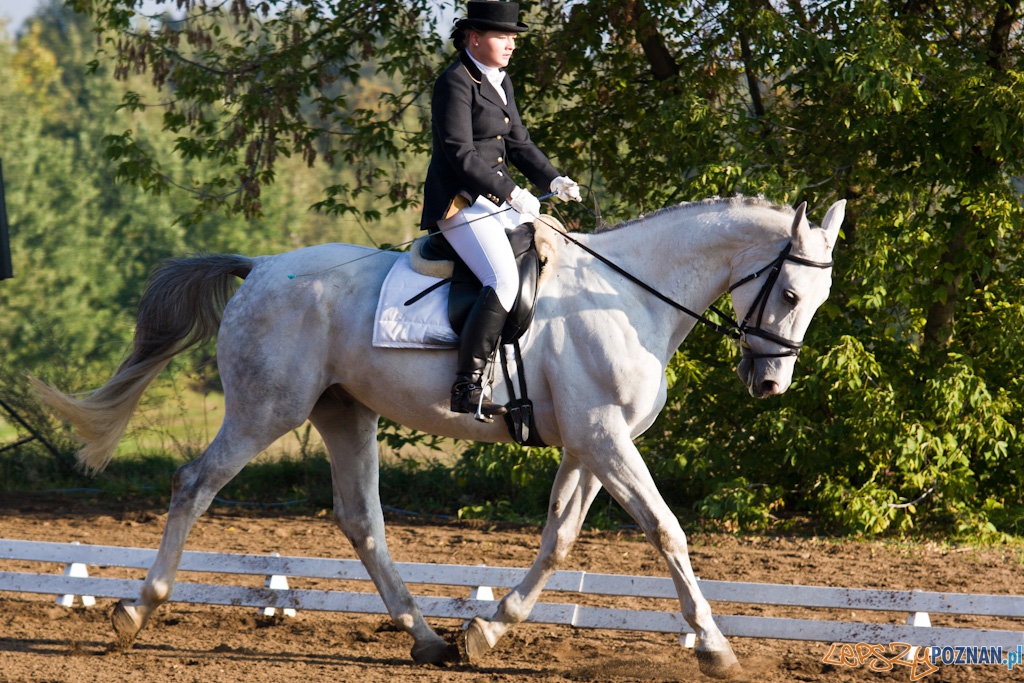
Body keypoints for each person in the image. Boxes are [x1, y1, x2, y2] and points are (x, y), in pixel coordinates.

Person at [421, 0, 581, 418]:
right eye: (502, 36)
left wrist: (552, 180)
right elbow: (461, 155)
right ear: (475, 38)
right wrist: (512, 192)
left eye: (513, 37)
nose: (511, 44)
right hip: (461, 203)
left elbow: (519, 143)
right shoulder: (454, 82)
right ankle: (466, 385)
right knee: (503, 281)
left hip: (494, 200)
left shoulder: (499, 81)